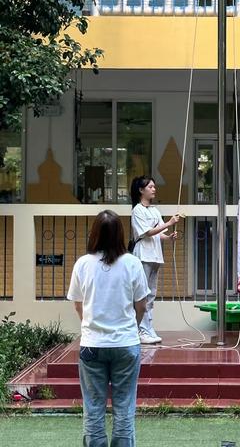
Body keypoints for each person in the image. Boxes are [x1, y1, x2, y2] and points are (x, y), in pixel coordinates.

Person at [67, 209, 149, 446]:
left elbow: (78, 305)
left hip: (92, 345)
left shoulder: (82, 264)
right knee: (124, 406)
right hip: (126, 343)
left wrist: (90, 326)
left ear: (94, 234)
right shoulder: (132, 264)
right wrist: (131, 328)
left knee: (93, 408)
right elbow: (141, 305)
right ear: (120, 235)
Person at [130, 175, 180, 344]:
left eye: (154, 186)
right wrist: (169, 222)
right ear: (141, 190)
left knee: (151, 294)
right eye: (150, 187)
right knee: (142, 294)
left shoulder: (154, 210)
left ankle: (148, 328)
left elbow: (158, 234)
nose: (154, 189)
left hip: (155, 255)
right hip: (143, 254)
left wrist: (169, 237)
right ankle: (141, 329)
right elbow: (147, 233)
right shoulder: (137, 210)